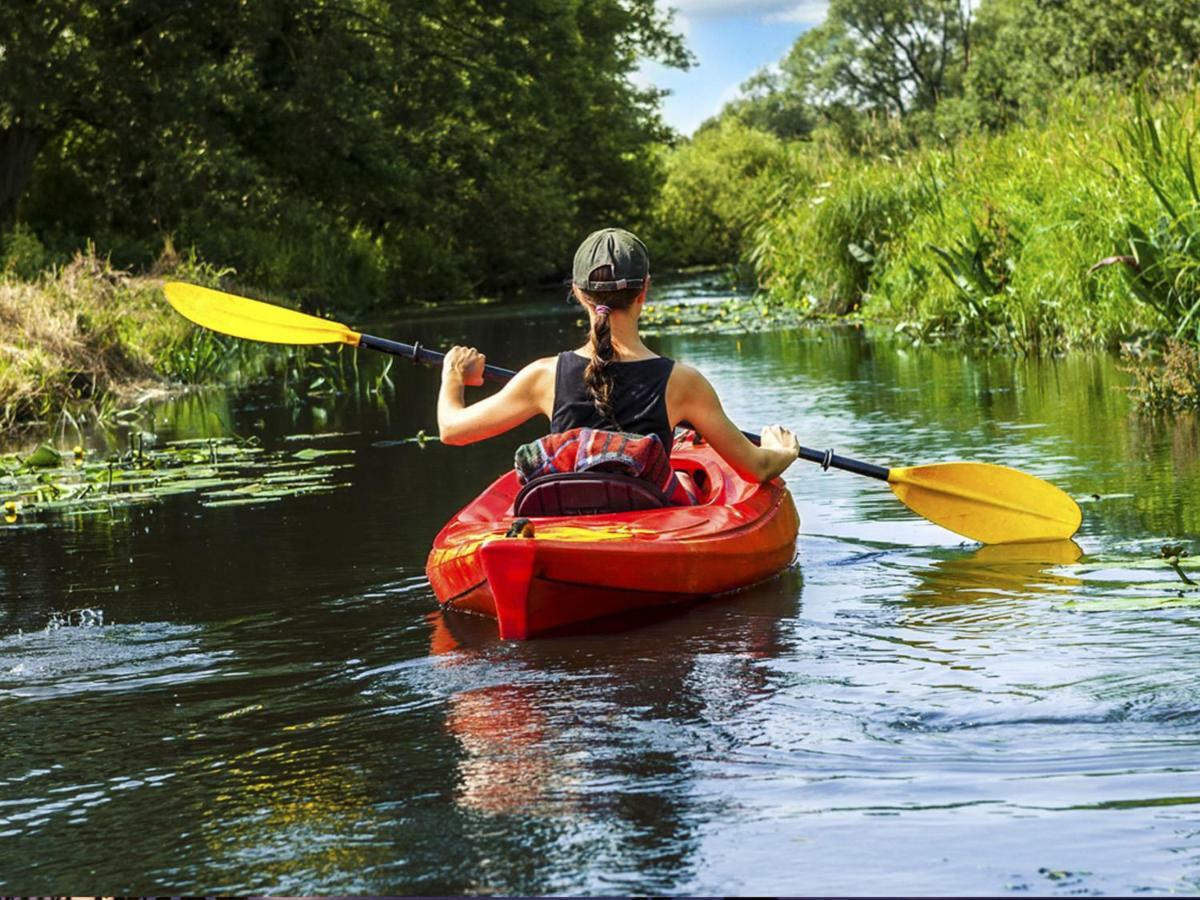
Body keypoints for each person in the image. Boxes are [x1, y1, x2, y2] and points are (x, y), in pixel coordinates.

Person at [437, 228, 800, 485]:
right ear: (645, 290)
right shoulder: (683, 382)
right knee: (686, 482)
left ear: (578, 293)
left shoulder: (543, 376)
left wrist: (453, 376)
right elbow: (756, 468)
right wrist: (780, 451)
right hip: (648, 522)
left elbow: (452, 431)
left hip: (572, 521)